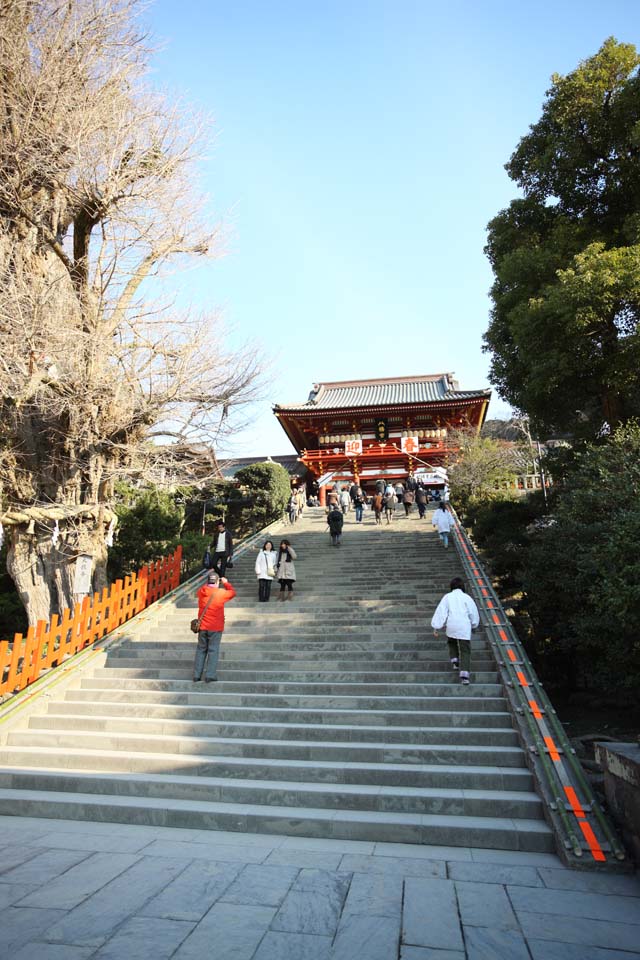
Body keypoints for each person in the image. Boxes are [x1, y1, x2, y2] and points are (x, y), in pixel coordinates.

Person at [431, 577, 480, 685]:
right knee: (465, 650)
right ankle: (465, 675)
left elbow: (441, 612)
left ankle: (454, 660)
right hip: (464, 626)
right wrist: (474, 624)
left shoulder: (447, 597)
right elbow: (473, 613)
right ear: (462, 586)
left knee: (451, 642)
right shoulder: (467, 598)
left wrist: (436, 627)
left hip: (452, 625)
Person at [193, 571, 236, 682]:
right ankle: (210, 675)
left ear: (207, 582)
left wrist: (209, 583)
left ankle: (197, 675)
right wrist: (226, 583)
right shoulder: (221, 593)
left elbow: (203, 588)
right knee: (213, 650)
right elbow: (232, 593)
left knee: (201, 650)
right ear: (217, 582)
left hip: (202, 626)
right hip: (215, 627)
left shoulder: (202, 592)